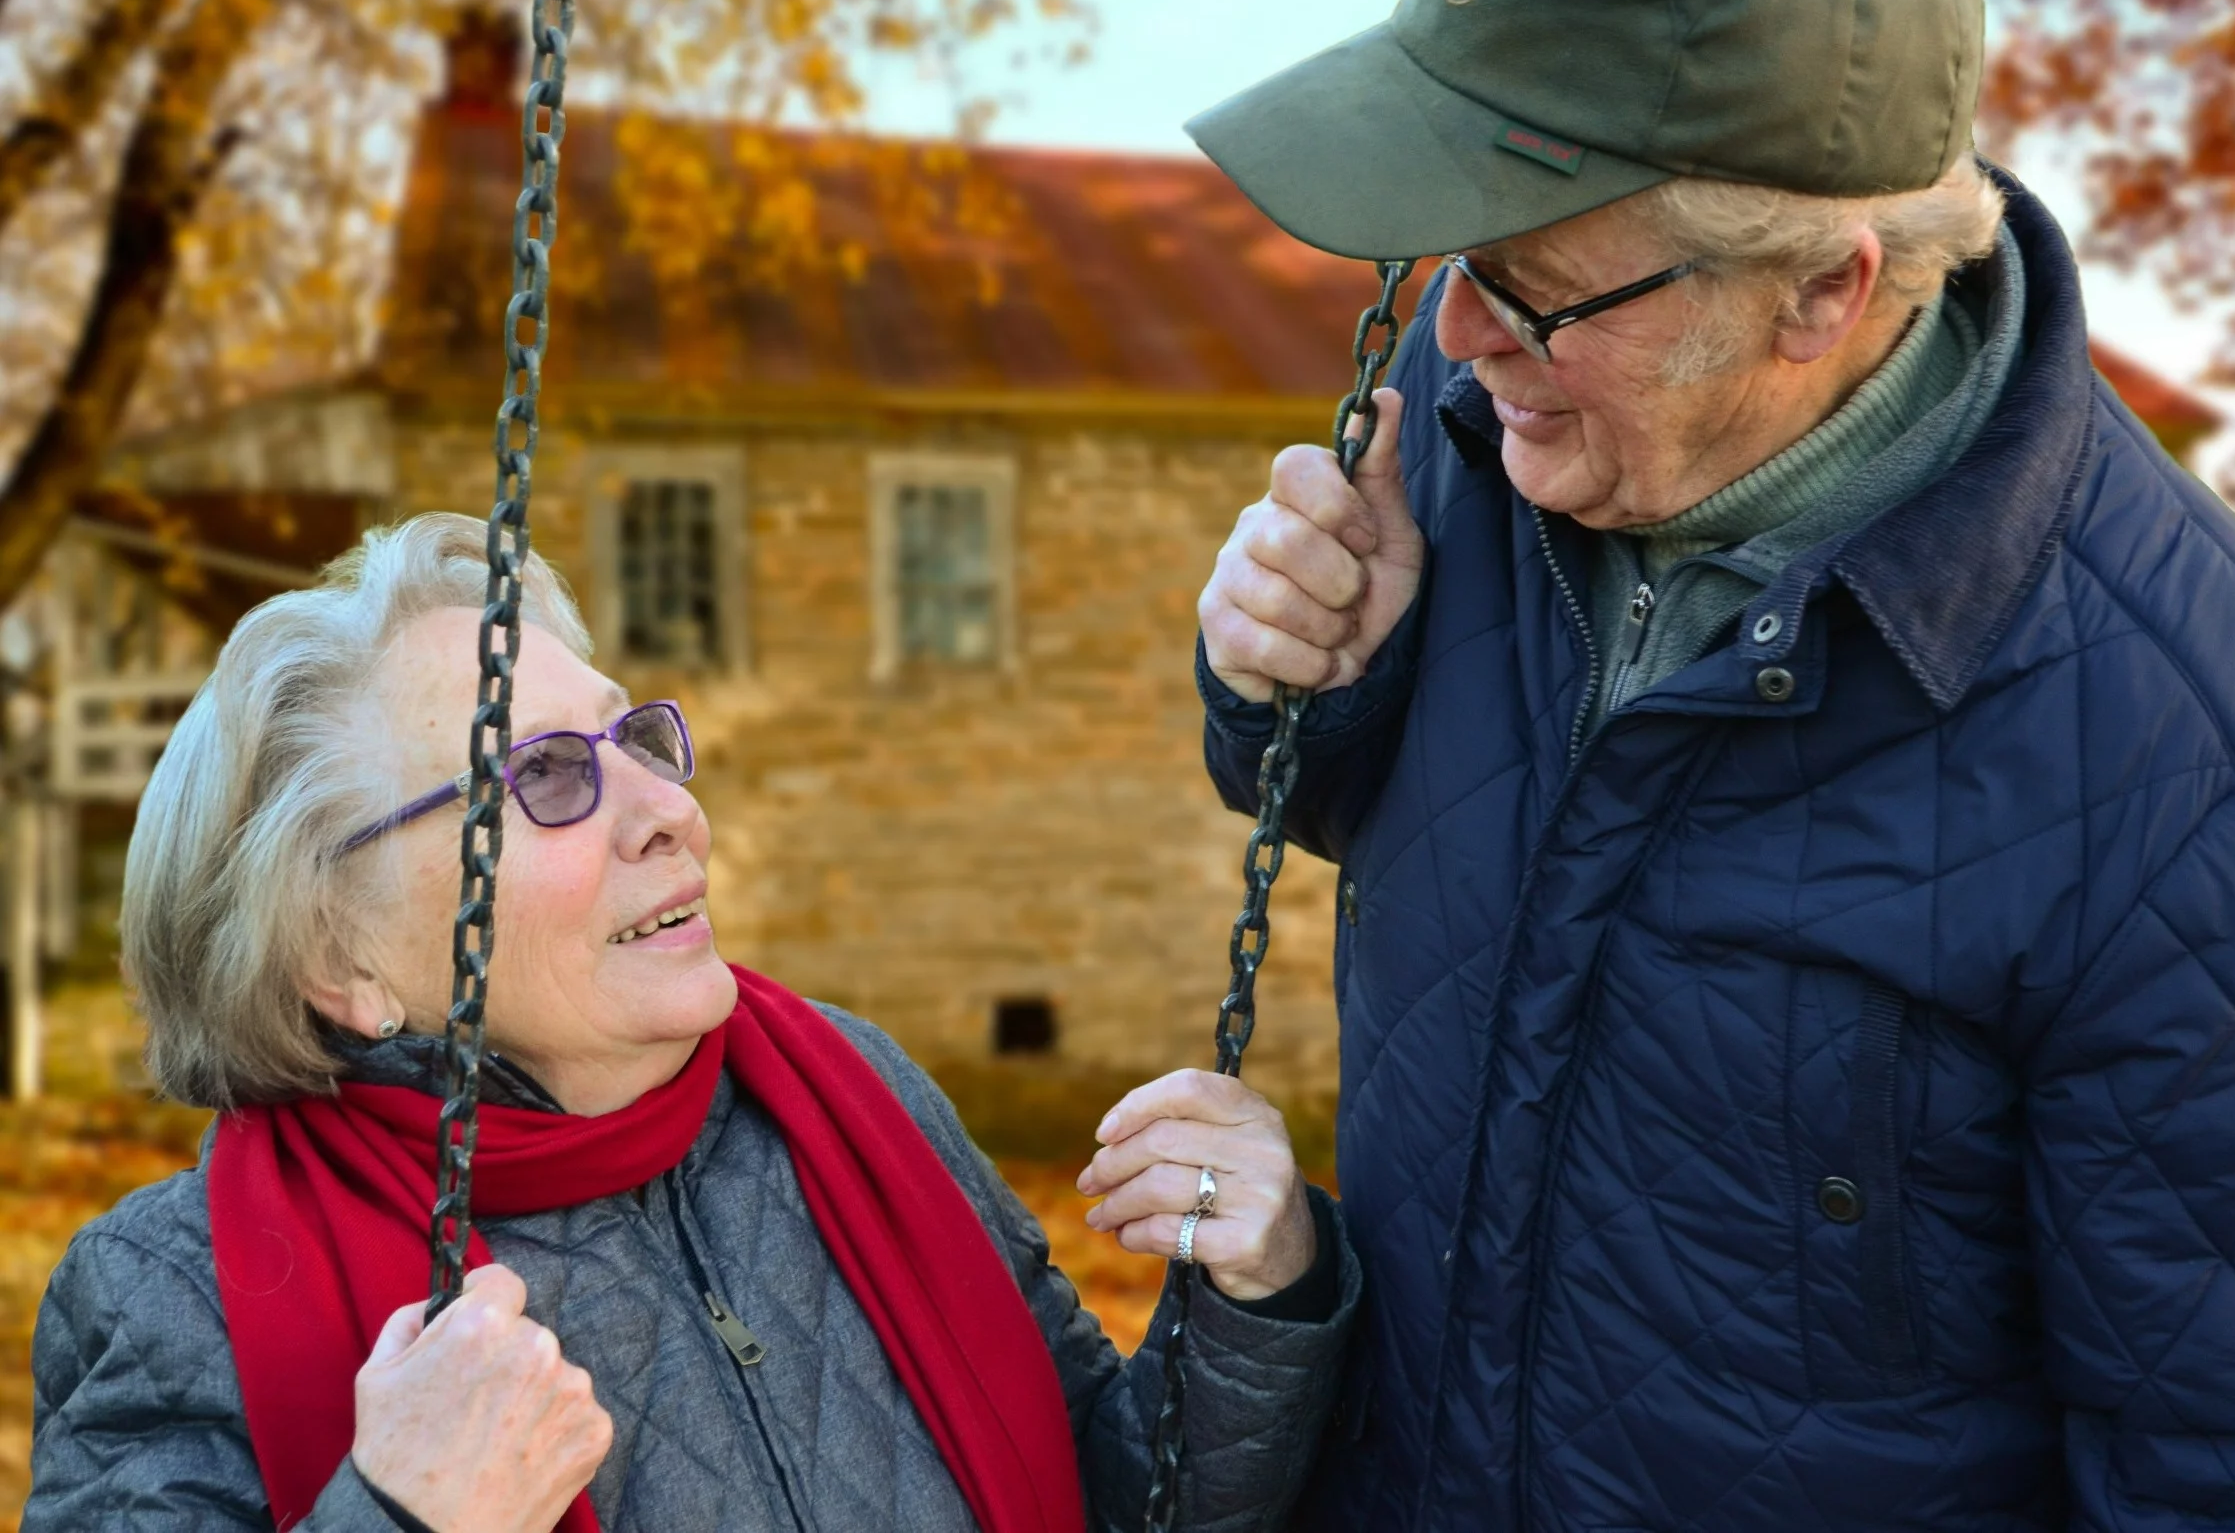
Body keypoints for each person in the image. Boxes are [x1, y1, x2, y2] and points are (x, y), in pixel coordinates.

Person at [1187, 0, 2235, 1529]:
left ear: (1819, 296)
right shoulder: (1505, 413)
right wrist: (1299, 681)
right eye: (1451, 265)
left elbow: (2224, 1460)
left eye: (1531, 290)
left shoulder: (2194, 755)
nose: (1462, 338)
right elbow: (1395, 824)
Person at [27, 513, 1355, 1533]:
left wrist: (1250, 1297)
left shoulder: (850, 1098)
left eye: (635, 739)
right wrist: (402, 1512)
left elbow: (1112, 1494)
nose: (664, 805)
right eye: (543, 776)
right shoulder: (176, 1290)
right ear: (340, 957)